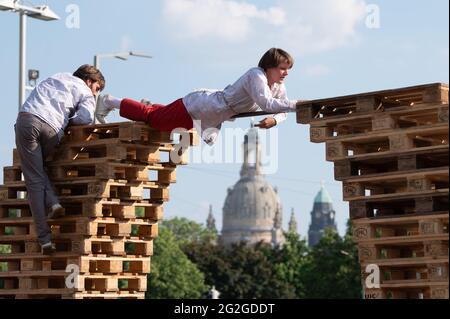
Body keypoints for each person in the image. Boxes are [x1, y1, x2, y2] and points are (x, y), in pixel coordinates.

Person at [95, 48, 298, 145]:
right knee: (154, 119)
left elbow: (280, 109)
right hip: (202, 106)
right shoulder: (257, 76)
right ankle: (109, 101)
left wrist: (275, 119)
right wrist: (296, 104)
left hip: (213, 112)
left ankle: (151, 106)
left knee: (161, 117)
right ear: (269, 67)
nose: (285, 74)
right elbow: (267, 103)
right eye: (282, 69)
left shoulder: (278, 86)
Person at [15, 64, 105, 254]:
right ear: (89, 81)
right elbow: (86, 118)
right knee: (37, 171)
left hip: (27, 119)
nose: (95, 94)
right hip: (52, 129)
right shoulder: (85, 91)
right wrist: (67, 120)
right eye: (97, 89)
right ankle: (53, 203)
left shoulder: (57, 76)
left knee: (34, 178)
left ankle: (45, 239)